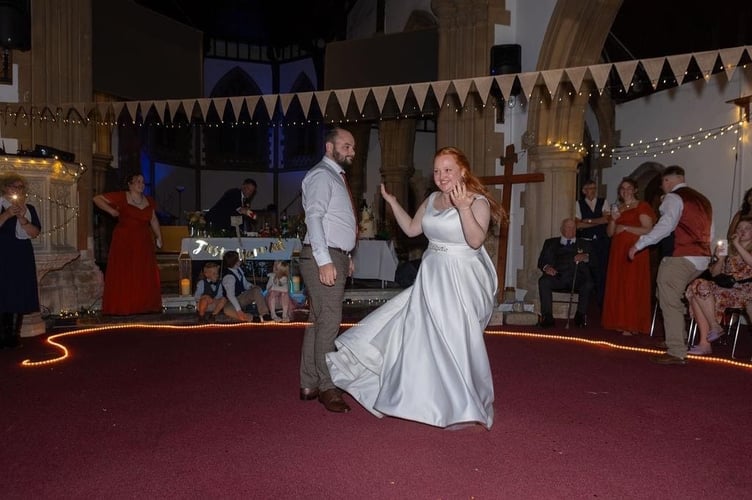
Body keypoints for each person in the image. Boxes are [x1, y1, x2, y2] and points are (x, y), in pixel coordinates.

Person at [326, 146, 505, 429]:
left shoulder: (476, 201)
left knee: (455, 339)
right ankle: (428, 400)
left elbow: (475, 241)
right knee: (422, 336)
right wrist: (393, 202)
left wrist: (464, 209)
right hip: (432, 275)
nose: (441, 176)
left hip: (461, 278)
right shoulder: (433, 199)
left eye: (448, 170)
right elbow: (411, 229)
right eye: (437, 171)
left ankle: (465, 404)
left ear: (462, 171)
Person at [298, 127, 358, 414]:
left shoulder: (334, 176)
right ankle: (327, 386)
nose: (352, 152)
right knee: (331, 321)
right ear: (329, 147)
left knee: (319, 319)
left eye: (353, 148)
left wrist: (345, 255)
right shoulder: (322, 175)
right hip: (323, 255)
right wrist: (324, 259)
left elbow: (335, 220)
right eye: (346, 146)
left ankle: (309, 382)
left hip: (334, 253)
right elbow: (314, 217)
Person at [628, 165, 713, 365]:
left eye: (663, 182)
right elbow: (711, 230)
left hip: (680, 256)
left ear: (668, 181)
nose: (662, 186)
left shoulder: (673, 198)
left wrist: (639, 244)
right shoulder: (703, 200)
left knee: (669, 299)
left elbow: (665, 226)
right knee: (666, 295)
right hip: (701, 258)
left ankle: (676, 350)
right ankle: (676, 336)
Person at [93, 173, 163, 315]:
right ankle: (124, 305)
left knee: (142, 272)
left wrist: (159, 237)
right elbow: (97, 199)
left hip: (143, 240)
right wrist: (111, 210)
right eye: (138, 181)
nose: (141, 184)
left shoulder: (149, 200)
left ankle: (143, 304)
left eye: (143, 181)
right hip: (124, 240)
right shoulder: (122, 196)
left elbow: (153, 219)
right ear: (130, 184)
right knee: (126, 271)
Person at [685, 217, 752, 355]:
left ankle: (706, 342)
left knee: (697, 294)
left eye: (747, 228)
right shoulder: (729, 249)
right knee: (697, 286)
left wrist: (737, 245)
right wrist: (720, 259)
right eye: (739, 228)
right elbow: (715, 274)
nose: (741, 231)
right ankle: (713, 327)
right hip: (726, 288)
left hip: (745, 291)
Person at [602, 178, 656, 335]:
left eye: (629, 188)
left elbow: (647, 229)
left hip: (635, 250)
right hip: (618, 250)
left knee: (632, 285)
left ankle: (632, 324)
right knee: (618, 284)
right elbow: (610, 233)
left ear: (635, 190)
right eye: (622, 188)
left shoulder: (642, 206)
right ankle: (619, 320)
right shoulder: (618, 208)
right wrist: (613, 219)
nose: (625, 191)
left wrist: (625, 227)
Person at [0, 174, 41, 349]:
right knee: (3, 292)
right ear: (5, 188)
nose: (18, 190)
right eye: (14, 186)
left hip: (21, 255)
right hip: (2, 254)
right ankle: (2, 337)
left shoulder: (28, 208)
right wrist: (8, 214)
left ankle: (13, 337)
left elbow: (34, 233)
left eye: (21, 187)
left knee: (19, 293)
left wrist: (22, 219)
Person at [538, 218, 594, 328]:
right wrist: (547, 267)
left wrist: (586, 257)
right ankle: (547, 316)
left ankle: (580, 315)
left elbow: (595, 261)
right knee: (544, 281)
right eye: (568, 227)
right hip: (558, 277)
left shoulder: (584, 244)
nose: (571, 230)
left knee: (588, 283)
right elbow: (541, 262)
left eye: (573, 228)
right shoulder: (550, 243)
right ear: (562, 229)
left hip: (577, 277)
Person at [575, 179, 611, 306]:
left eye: (594, 188)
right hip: (586, 243)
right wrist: (597, 221)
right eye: (590, 188)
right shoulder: (578, 204)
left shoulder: (603, 202)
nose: (593, 191)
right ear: (584, 191)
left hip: (602, 242)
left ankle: (602, 303)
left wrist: (589, 221)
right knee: (586, 273)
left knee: (602, 273)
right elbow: (578, 225)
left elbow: (607, 220)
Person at [220, 250, 271, 323]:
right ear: (234, 262)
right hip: (231, 301)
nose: (240, 260)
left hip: (242, 297)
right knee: (227, 310)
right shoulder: (229, 277)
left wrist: (251, 286)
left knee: (256, 290)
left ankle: (265, 314)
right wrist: (238, 310)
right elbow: (230, 296)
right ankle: (252, 318)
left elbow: (245, 284)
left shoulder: (238, 269)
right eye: (238, 259)